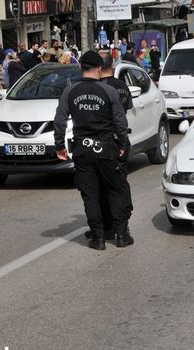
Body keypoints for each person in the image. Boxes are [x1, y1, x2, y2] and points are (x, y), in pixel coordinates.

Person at [53, 51, 134, 250]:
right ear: (99, 68)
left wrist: (59, 146)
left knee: (90, 195)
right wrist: (122, 145)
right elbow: (120, 123)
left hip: (82, 150)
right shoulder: (108, 91)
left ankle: (98, 238)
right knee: (115, 190)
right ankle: (121, 235)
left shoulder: (70, 91)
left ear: (81, 68)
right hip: (106, 149)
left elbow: (59, 121)